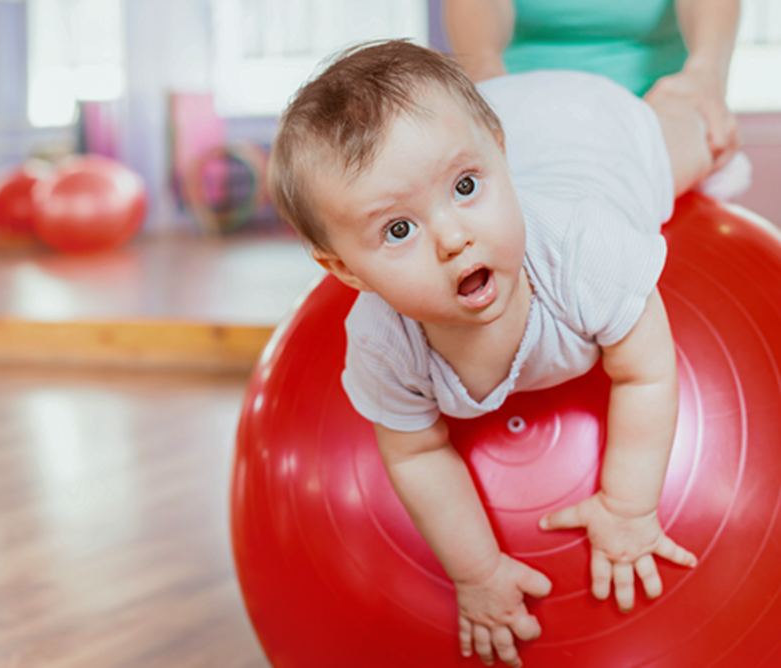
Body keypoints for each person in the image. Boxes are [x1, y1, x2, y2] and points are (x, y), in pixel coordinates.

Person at [268, 41, 712, 667]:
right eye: (399, 230)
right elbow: (417, 451)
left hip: (595, 139)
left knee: (690, 152)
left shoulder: (588, 249)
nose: (453, 236)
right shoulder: (381, 342)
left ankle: (685, 105)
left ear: (500, 156)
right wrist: (476, 573)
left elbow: (645, 373)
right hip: (503, 123)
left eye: (468, 187)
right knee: (434, 157)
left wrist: (627, 506)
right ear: (345, 269)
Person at [443, 0, 741, 172]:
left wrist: (705, 74)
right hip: (528, 110)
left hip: (654, 108)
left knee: (697, 134)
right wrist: (487, 81)